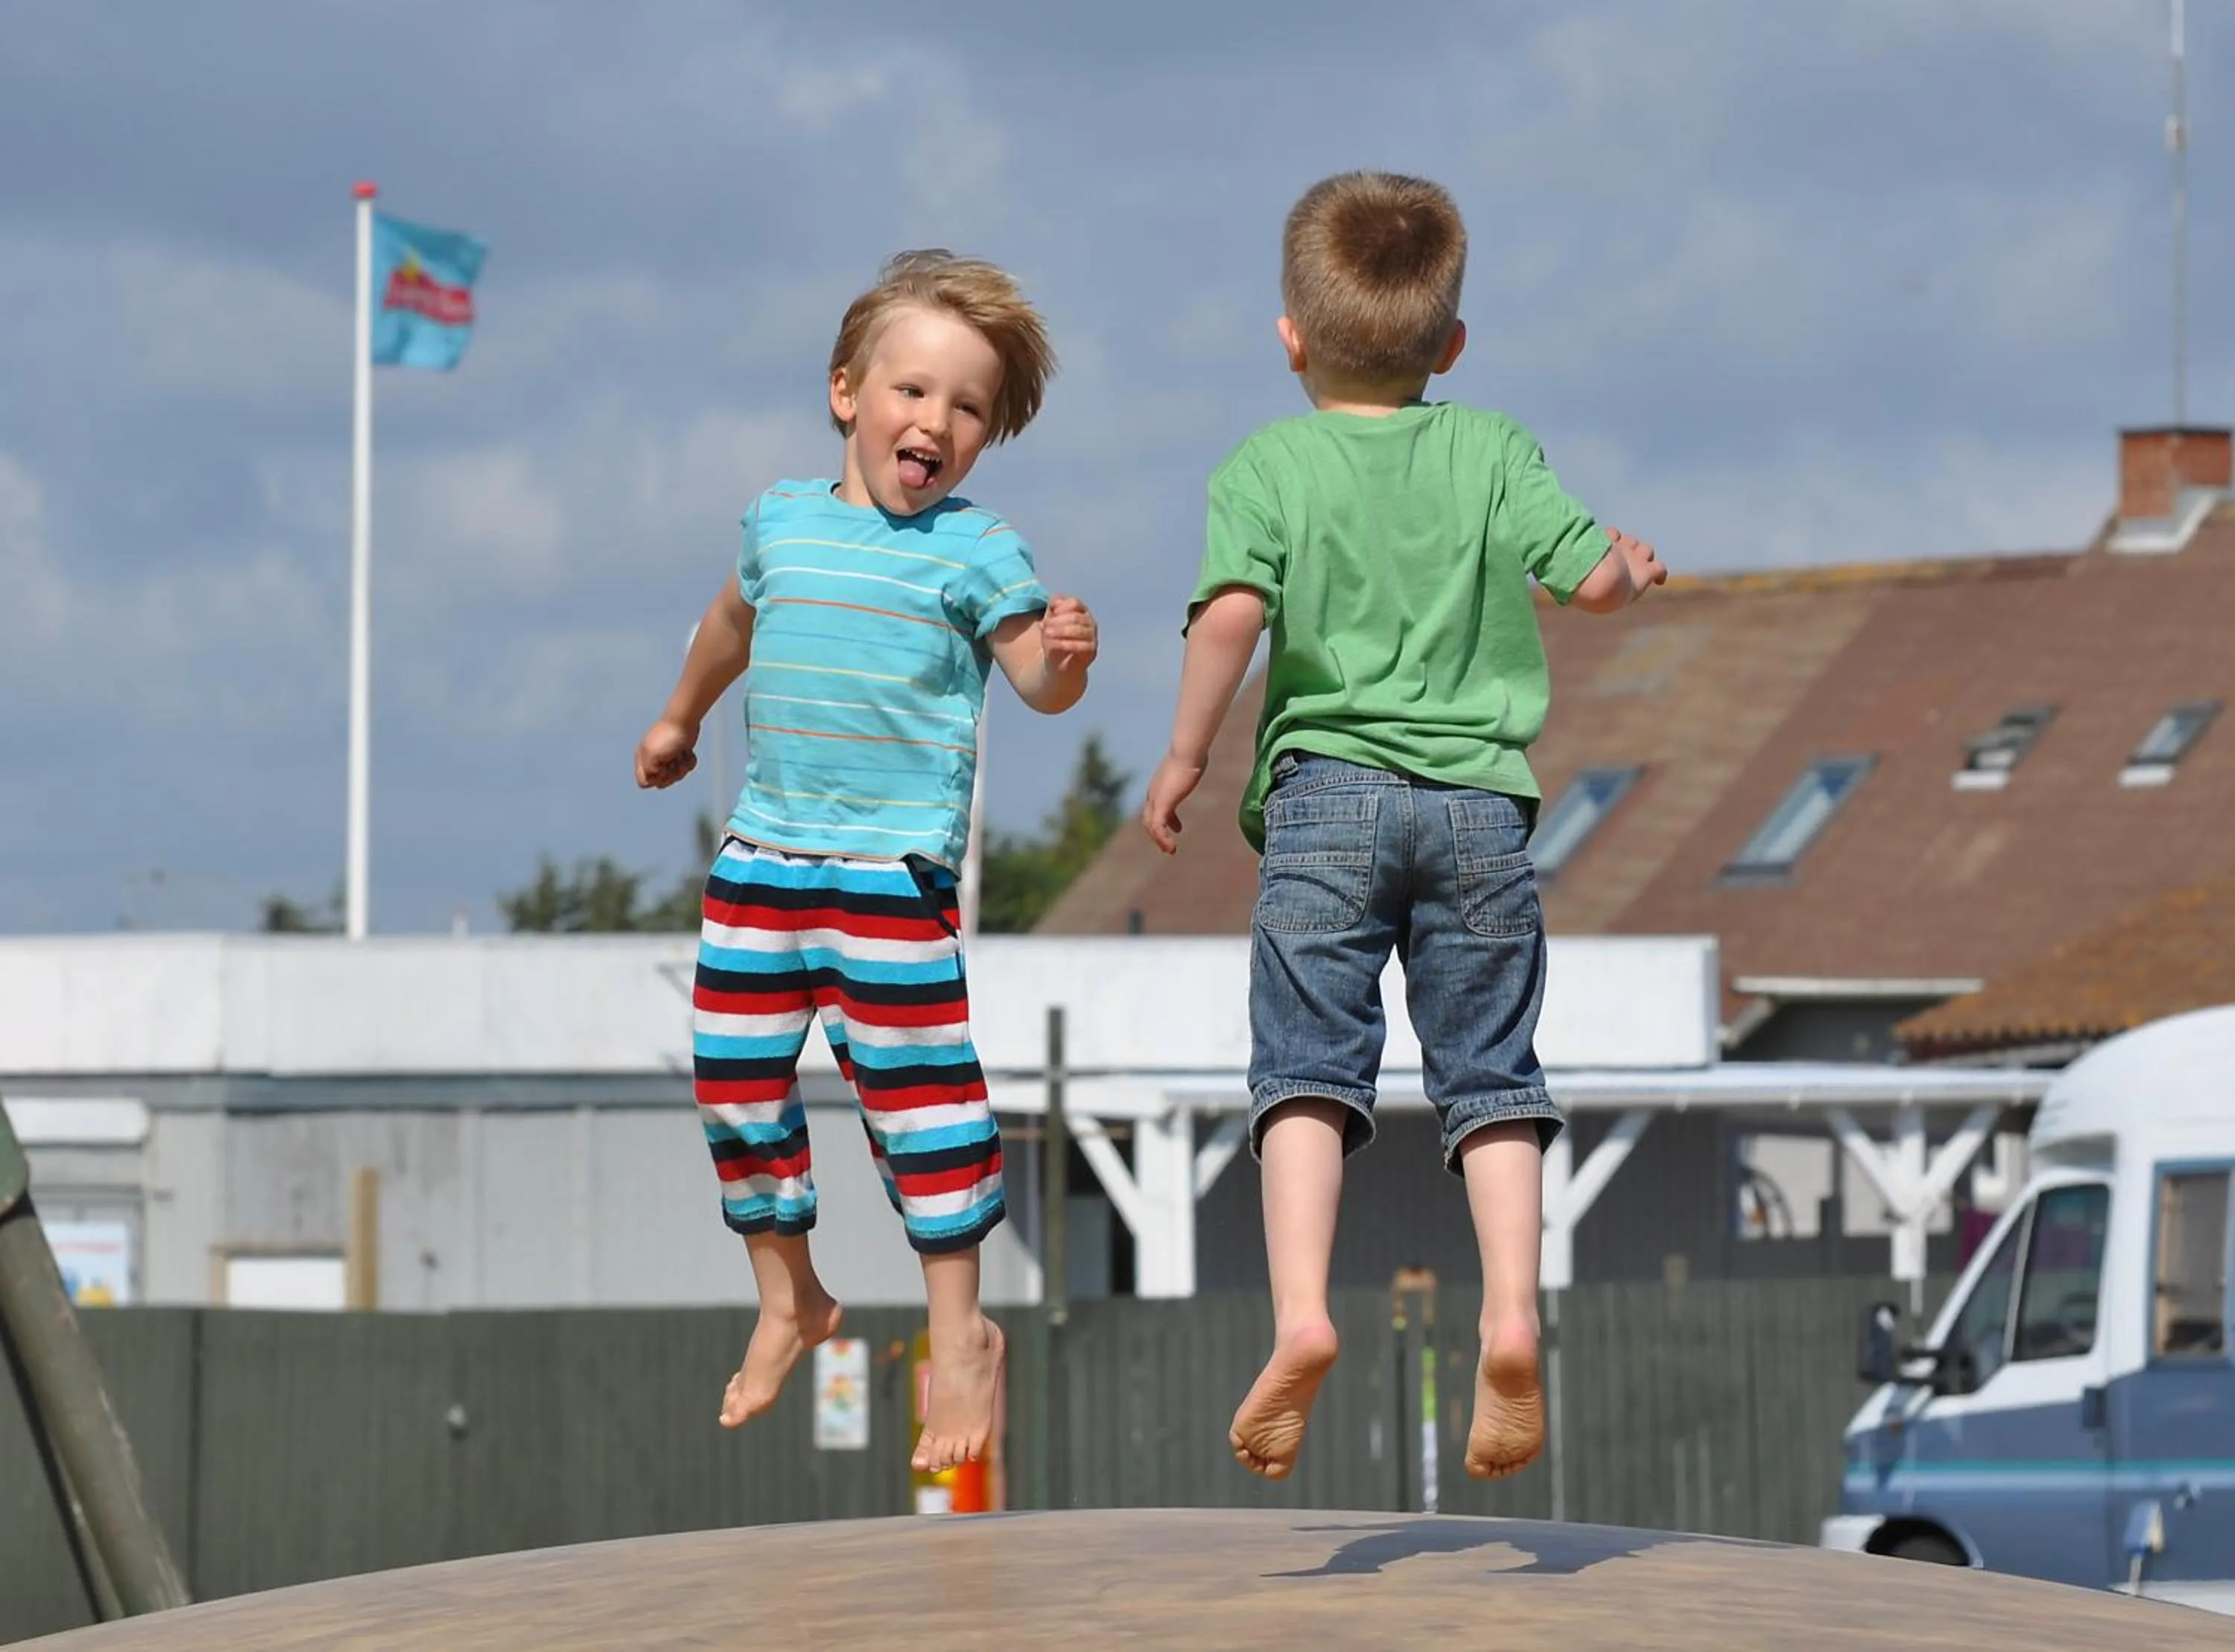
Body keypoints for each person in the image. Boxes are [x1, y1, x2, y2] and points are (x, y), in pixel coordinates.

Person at [1141, 171, 1665, 1482]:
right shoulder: (1493, 448)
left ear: (1291, 336)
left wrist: (1186, 752)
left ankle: (1306, 1314)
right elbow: (1588, 575)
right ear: (1452, 344)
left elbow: (1229, 620)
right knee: (1491, 1072)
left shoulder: (1266, 466)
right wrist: (1624, 574)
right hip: (1481, 808)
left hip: (1324, 801)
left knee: (1306, 1066)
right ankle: (1509, 1310)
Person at [636, 250, 1099, 1473]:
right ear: (848, 393)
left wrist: (1069, 657)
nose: (935, 423)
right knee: (732, 1075)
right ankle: (791, 1294)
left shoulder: (978, 549)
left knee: (919, 1104)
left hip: (889, 874)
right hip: (762, 855)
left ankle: (960, 1332)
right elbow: (730, 623)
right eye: (912, 392)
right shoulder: (778, 521)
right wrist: (681, 717)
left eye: (968, 410)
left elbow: (1039, 689)